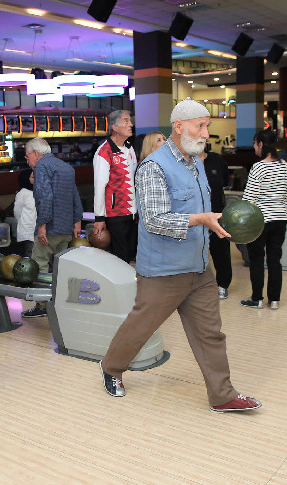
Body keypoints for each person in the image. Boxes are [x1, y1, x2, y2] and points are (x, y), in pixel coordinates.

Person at [99, 98, 261, 413]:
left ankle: (222, 395)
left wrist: (214, 222)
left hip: (199, 267)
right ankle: (111, 366)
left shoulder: (197, 162)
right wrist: (201, 219)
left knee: (210, 333)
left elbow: (197, 210)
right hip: (163, 271)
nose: (205, 132)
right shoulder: (153, 167)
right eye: (200, 125)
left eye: (207, 126)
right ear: (178, 126)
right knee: (141, 327)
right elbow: (155, 220)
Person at [22, 138, 83, 318]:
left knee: (39, 264)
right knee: (61, 267)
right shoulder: (66, 167)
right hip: (66, 229)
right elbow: (75, 194)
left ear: (35, 153)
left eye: (27, 157)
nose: (28, 161)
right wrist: (77, 220)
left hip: (50, 228)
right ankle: (62, 302)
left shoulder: (41, 167)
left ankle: (42, 306)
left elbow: (45, 197)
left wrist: (42, 225)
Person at [241, 129, 287, 309]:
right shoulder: (284, 165)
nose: (254, 147)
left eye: (254, 144)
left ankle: (257, 299)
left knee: (257, 259)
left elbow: (249, 199)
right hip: (280, 220)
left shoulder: (259, 167)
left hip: (260, 221)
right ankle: (274, 300)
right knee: (275, 260)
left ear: (261, 144)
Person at [93, 109, 138, 263]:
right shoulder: (104, 152)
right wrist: (99, 217)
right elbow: (99, 186)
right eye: (126, 121)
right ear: (114, 126)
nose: (130, 124)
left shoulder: (129, 148)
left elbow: (133, 178)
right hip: (115, 214)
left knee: (131, 252)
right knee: (120, 256)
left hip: (131, 212)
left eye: (130, 121)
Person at [200, 149, 232, 300]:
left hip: (217, 214)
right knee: (194, 252)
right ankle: (196, 286)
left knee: (221, 251)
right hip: (195, 216)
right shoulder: (185, 160)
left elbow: (225, 182)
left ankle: (222, 285)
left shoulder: (216, 160)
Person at [13, 169, 37, 257]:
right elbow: (17, 212)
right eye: (32, 177)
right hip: (29, 228)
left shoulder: (39, 191)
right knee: (30, 253)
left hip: (40, 228)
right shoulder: (22, 193)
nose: (35, 179)